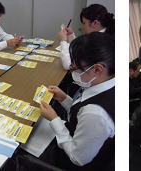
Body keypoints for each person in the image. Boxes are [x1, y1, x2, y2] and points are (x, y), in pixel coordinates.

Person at [37, 32, 114, 170]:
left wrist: (54, 119)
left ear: (97, 69)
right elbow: (81, 113)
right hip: (79, 134)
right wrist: (64, 99)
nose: (73, 69)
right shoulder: (102, 84)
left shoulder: (96, 114)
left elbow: (77, 158)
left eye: (76, 67)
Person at [57, 4, 114, 70]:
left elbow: (68, 65)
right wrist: (71, 35)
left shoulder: (100, 41)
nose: (82, 27)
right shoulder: (105, 33)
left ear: (95, 23)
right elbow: (79, 51)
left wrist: (63, 41)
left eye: (84, 23)